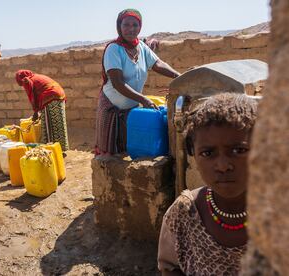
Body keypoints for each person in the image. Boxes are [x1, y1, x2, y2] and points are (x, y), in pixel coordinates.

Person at [158, 93, 258, 275]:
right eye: (208, 153)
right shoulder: (184, 213)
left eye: (239, 150)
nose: (222, 166)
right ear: (194, 156)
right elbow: (169, 267)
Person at [95, 9, 180, 156]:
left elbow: (157, 64)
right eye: (126, 25)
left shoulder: (141, 47)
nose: (131, 29)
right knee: (110, 155)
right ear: (119, 26)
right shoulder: (114, 49)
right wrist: (143, 99)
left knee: (130, 149)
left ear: (140, 27)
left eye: (135, 25)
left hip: (131, 109)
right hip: (112, 110)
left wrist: (179, 76)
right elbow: (118, 83)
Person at [15, 70, 69, 152]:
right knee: (58, 123)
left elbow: (32, 98)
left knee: (48, 125)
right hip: (59, 94)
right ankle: (60, 148)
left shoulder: (26, 81)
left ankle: (50, 149)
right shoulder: (35, 77)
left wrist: (35, 112)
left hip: (50, 97)